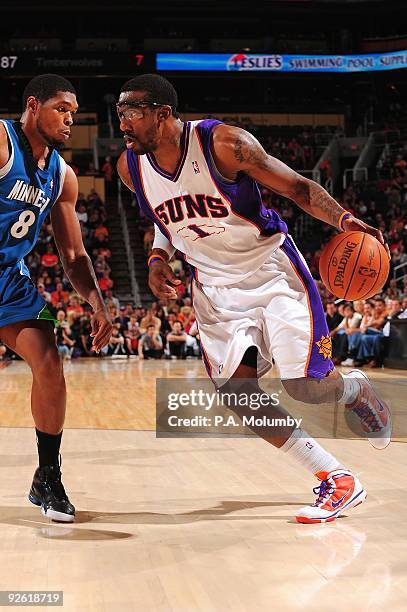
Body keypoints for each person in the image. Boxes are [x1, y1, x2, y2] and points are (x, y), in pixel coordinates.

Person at [116, 73, 391, 524]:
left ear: (163, 115)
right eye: (120, 112)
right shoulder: (131, 167)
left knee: (304, 386)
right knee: (239, 395)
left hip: (270, 271)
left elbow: (298, 188)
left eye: (132, 113)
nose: (122, 123)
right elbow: (165, 221)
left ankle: (353, 389)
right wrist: (156, 259)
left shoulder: (224, 143)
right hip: (215, 288)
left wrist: (344, 221)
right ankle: (336, 477)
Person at [0, 74, 113, 522]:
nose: (70, 118)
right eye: (61, 108)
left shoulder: (62, 177)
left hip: (8, 278)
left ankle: (48, 475)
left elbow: (73, 253)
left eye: (73, 111)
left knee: (49, 363)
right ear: (33, 106)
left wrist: (96, 301)